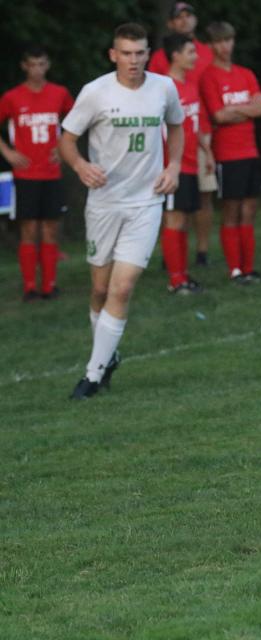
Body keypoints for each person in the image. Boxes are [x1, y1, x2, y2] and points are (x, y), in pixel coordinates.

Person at [59, 23, 184, 399]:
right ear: (113, 55)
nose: (134, 60)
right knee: (99, 288)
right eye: (127, 53)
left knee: (122, 287)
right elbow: (67, 140)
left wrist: (174, 166)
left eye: (140, 52)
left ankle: (93, 374)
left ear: (149, 54)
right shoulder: (95, 92)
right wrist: (81, 166)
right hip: (104, 203)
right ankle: (108, 356)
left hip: (146, 202)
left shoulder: (163, 87)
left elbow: (176, 126)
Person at [0, 46, 74, 301]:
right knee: (29, 229)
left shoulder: (59, 93)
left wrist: (63, 146)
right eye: (32, 64)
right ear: (24, 66)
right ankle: (30, 286)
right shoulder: (12, 97)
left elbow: (77, 119)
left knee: (51, 229)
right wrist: (8, 153)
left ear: (48, 65)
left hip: (51, 172)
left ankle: (49, 285)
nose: (37, 70)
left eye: (42, 64)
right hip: (25, 175)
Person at [148, 1, 217, 266]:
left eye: (190, 15)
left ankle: (198, 252)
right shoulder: (163, 69)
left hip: (200, 134)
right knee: (175, 209)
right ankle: (174, 263)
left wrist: (207, 147)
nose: (185, 20)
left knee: (200, 198)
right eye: (180, 16)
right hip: (173, 148)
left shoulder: (205, 54)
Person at [200, 21, 261, 283]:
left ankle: (249, 267)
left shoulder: (245, 73)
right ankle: (235, 270)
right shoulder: (209, 76)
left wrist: (236, 112)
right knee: (231, 209)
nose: (225, 46)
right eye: (219, 41)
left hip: (250, 151)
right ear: (211, 46)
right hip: (227, 154)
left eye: (228, 40)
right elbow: (218, 114)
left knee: (249, 209)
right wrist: (247, 109)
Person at [161, 33, 213, 294]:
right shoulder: (163, 87)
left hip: (192, 162)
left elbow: (196, 124)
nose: (196, 57)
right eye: (191, 52)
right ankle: (175, 280)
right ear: (175, 55)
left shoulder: (190, 84)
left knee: (183, 222)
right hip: (172, 166)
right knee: (174, 220)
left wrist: (207, 152)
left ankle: (183, 275)